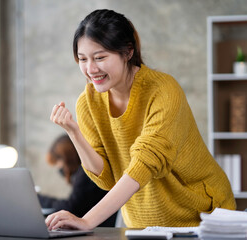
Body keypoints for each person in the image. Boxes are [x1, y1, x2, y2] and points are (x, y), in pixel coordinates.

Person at [46, 9, 236, 230]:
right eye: (82, 59)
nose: (90, 69)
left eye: (100, 57)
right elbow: (107, 179)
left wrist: (87, 220)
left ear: (128, 52)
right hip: (142, 227)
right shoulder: (87, 103)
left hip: (202, 220)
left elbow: (145, 163)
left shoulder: (163, 90)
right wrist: (74, 132)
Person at [38, 134, 117, 227]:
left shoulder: (86, 173)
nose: (58, 167)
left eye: (58, 162)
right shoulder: (83, 173)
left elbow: (71, 208)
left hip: (102, 227)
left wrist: (39, 199)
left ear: (66, 158)